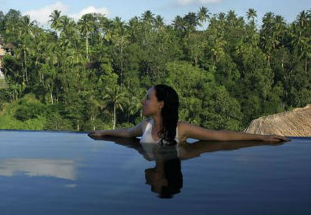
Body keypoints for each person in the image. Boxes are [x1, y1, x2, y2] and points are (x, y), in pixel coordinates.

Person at [89, 84, 290, 144]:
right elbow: (126, 132)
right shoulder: (146, 126)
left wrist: (262, 137)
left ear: (161, 104)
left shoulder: (180, 129)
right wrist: (102, 132)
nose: (143, 101)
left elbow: (219, 135)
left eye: (148, 98)